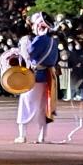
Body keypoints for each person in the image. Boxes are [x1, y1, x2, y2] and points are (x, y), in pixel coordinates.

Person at [15, 13, 57, 144]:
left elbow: (30, 53)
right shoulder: (53, 41)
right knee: (43, 108)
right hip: (47, 77)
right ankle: (42, 137)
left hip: (34, 77)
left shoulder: (40, 39)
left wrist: (23, 46)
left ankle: (22, 135)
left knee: (25, 104)